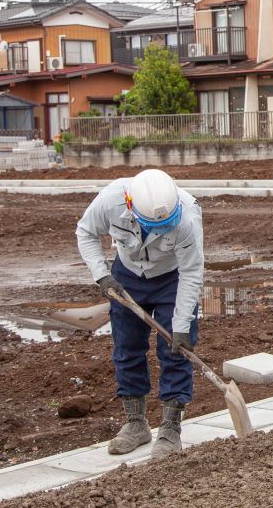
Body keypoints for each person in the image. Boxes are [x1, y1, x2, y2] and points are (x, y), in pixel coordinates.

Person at [76, 169, 204, 458]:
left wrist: (181, 326)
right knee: (127, 348)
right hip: (128, 274)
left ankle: (171, 428)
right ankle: (136, 423)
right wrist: (102, 276)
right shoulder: (111, 199)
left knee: (176, 350)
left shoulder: (187, 215)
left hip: (171, 278)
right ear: (131, 205)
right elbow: (85, 232)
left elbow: (192, 272)